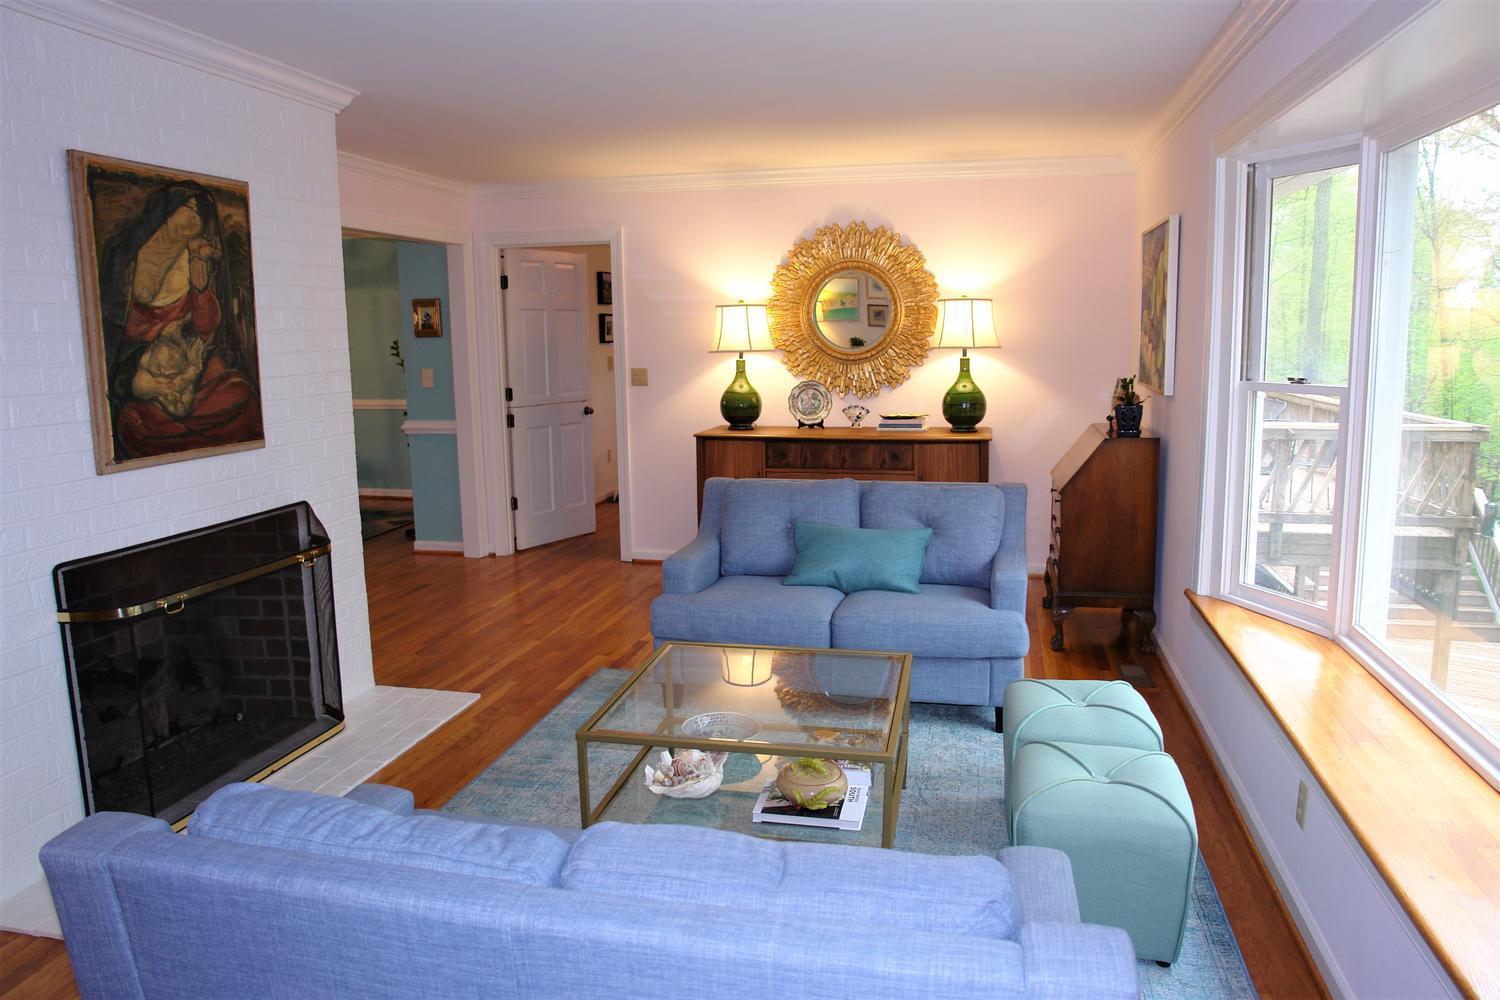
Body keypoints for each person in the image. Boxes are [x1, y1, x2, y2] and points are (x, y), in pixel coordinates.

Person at [98, 183, 261, 458]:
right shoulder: (124, 256)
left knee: (240, 395)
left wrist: (200, 288)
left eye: (199, 216)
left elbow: (207, 327)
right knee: (133, 421)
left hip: (189, 353)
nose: (195, 222)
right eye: (190, 210)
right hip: (139, 360)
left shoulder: (195, 260)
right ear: (167, 211)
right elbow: (112, 330)